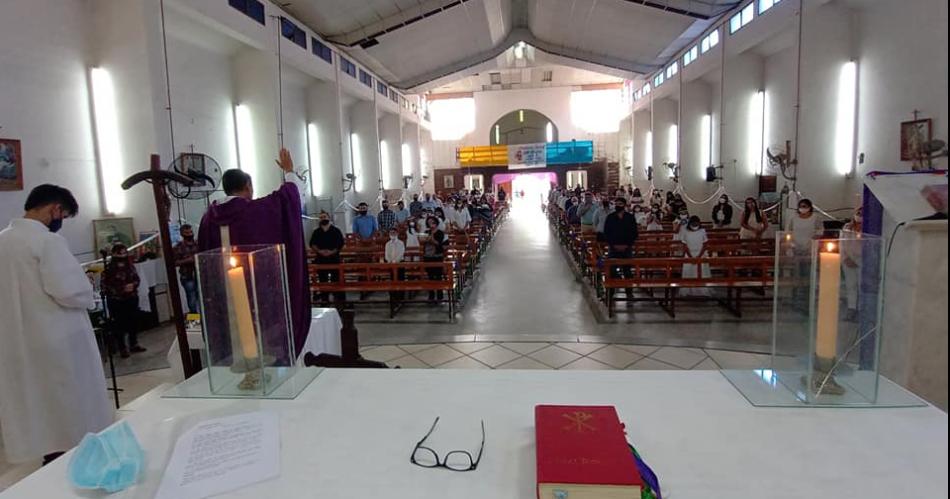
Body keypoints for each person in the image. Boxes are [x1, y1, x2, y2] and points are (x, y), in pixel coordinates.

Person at [0, 184, 112, 465]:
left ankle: (49, 456)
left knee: (36, 401)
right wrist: (88, 289)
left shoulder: (4, 240)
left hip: (17, 339)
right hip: (57, 338)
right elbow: (69, 290)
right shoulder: (46, 242)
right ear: (55, 209)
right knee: (68, 405)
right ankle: (76, 458)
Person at [198, 148, 310, 360]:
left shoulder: (207, 219)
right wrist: (289, 172)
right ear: (248, 186)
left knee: (232, 337)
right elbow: (288, 198)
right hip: (259, 296)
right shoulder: (255, 211)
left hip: (221, 294)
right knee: (259, 339)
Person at [102, 243, 144, 358]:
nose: (123, 255)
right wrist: (121, 289)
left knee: (133, 322)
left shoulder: (130, 266)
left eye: (125, 253)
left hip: (131, 298)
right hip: (117, 301)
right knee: (119, 325)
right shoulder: (109, 269)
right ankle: (122, 348)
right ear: (114, 254)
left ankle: (133, 344)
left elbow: (137, 279)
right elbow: (105, 286)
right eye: (120, 253)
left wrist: (133, 286)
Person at [603, 196, 639, 296]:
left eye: (620, 204)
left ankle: (629, 292)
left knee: (627, 270)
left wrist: (627, 245)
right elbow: (606, 233)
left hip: (627, 248)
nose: (618, 206)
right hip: (613, 248)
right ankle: (611, 291)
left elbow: (634, 233)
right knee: (612, 270)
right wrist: (613, 245)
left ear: (624, 205)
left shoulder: (630, 217)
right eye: (616, 204)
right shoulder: (610, 217)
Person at [310, 211, 345, 303]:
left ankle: (338, 300)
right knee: (323, 280)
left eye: (325, 216)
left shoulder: (336, 230)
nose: (323, 218)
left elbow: (340, 244)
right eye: (321, 217)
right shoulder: (316, 232)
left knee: (336, 279)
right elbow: (312, 244)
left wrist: (331, 252)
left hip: (334, 258)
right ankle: (324, 299)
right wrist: (320, 251)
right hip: (321, 259)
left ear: (329, 218)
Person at [676, 215, 711, 294]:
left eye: (696, 223)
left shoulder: (702, 231)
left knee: (701, 273)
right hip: (689, 254)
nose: (695, 225)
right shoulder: (685, 231)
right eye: (693, 223)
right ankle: (689, 290)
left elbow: (705, 244)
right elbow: (685, 246)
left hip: (700, 254)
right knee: (689, 272)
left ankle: (702, 290)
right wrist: (690, 256)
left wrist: (699, 256)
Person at [841, 207, 863, 320]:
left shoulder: (867, 229)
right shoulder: (847, 227)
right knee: (851, 285)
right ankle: (851, 308)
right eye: (858, 213)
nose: (859, 215)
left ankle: (860, 309)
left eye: (862, 214)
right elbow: (842, 244)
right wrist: (845, 258)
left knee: (861, 285)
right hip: (848, 259)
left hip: (862, 261)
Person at [174, 224, 200, 314]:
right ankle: (194, 325)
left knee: (201, 299)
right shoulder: (178, 247)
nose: (189, 234)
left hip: (199, 274)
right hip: (187, 276)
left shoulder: (198, 243)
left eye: (191, 232)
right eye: (187, 233)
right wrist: (187, 260)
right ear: (182, 234)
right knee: (191, 300)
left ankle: (204, 322)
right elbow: (175, 262)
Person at [421, 216, 447, 303]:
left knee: (438, 276)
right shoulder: (426, 232)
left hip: (437, 256)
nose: (431, 224)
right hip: (428, 256)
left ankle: (440, 295)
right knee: (430, 276)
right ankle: (431, 295)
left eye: (432, 222)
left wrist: (432, 239)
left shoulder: (440, 233)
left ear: (436, 223)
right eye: (429, 222)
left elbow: (439, 244)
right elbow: (422, 241)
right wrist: (424, 240)